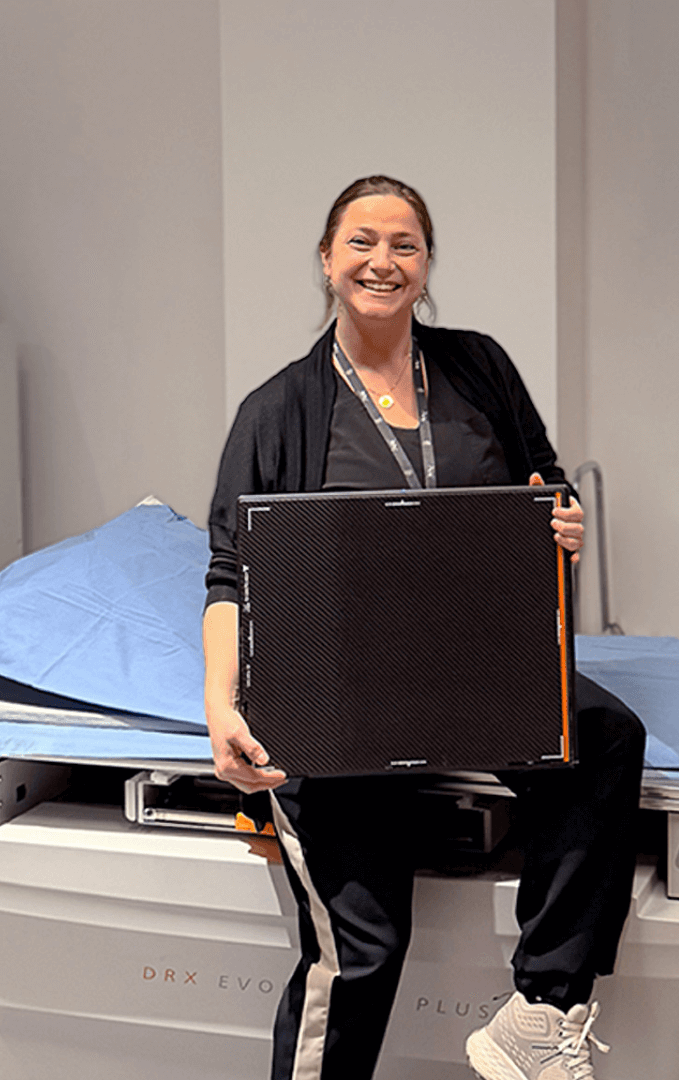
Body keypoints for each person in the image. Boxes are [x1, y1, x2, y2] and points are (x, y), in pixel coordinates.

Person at [203, 175, 646, 1080]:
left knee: (604, 737)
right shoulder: (278, 412)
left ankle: (542, 1011)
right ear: (327, 262)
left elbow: (543, 487)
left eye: (405, 245)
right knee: (362, 949)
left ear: (427, 265)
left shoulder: (478, 367)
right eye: (362, 242)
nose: (384, 261)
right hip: (342, 686)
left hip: (475, 663)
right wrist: (223, 706)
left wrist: (560, 522)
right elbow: (229, 575)